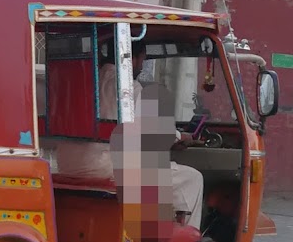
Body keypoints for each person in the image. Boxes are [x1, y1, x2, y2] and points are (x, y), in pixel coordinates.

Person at [54, 40, 204, 227]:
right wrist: (181, 137)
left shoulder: (84, 84)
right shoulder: (129, 87)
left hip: (67, 165)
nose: (141, 67)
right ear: (131, 59)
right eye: (142, 60)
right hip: (105, 169)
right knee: (191, 178)